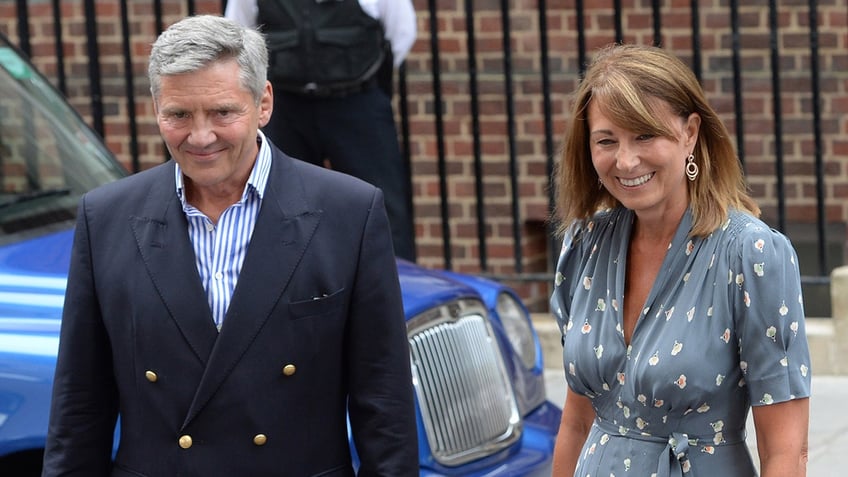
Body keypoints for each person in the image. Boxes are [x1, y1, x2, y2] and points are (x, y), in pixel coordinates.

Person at [42, 14, 418, 476]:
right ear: (157, 109)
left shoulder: (349, 211)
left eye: (222, 112)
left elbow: (384, 403)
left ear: (263, 104)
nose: (200, 137)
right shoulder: (106, 217)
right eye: (179, 114)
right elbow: (80, 405)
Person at [549, 44, 811, 476]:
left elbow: (787, 451)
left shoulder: (751, 254)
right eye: (607, 140)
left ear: (690, 133)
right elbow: (577, 422)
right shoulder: (586, 244)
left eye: (644, 135)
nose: (626, 160)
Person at [225, 0, 418, 262]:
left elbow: (402, 32)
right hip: (285, 106)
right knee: (280, 204)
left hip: (356, 101)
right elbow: (239, 38)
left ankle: (396, 289)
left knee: (382, 205)